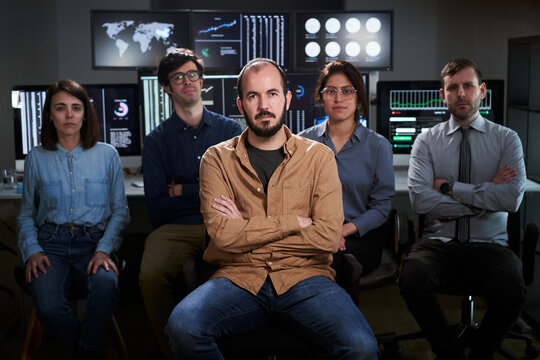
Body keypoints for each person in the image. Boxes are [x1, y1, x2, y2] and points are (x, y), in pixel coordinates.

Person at [165, 58, 378, 359]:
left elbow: (328, 237)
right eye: (253, 96)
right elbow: (224, 237)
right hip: (238, 277)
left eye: (272, 94)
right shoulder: (216, 159)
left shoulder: (319, 157)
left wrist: (246, 228)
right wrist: (295, 221)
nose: (264, 105)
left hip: (305, 277)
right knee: (183, 325)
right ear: (241, 104)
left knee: (361, 346)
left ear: (287, 99)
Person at [400, 58, 526, 360]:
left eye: (467, 86)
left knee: (513, 285)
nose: (460, 93)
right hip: (438, 243)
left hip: (490, 245)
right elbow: (420, 200)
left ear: (481, 90)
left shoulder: (507, 139)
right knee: (412, 277)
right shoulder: (426, 141)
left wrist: (451, 188)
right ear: (443, 95)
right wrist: (484, 196)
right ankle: (450, 353)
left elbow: (510, 199)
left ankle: (481, 354)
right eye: (452, 88)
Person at [139, 48, 242, 359]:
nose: (187, 82)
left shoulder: (231, 131)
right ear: (167, 87)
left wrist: (182, 190)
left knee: (248, 268)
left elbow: (240, 193)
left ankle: (234, 348)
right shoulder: (156, 141)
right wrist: (209, 194)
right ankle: (173, 349)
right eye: (178, 77)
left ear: (203, 80)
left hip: (225, 221)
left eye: (192, 75)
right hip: (177, 227)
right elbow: (156, 209)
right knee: (150, 276)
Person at [17, 79, 130, 358]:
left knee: (106, 287)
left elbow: (120, 212)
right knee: (47, 304)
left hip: (94, 244)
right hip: (50, 245)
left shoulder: (107, 155)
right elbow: (26, 214)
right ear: (49, 115)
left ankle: (84, 350)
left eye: (76, 108)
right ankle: (85, 347)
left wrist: (105, 249)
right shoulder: (36, 157)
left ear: (85, 114)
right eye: (61, 108)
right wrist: (32, 250)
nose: (69, 115)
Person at [299, 60, 394, 276]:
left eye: (347, 91)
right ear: (321, 96)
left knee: (334, 262)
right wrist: (322, 231)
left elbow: (380, 208)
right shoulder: (301, 143)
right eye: (331, 91)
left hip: (358, 237)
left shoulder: (378, 147)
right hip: (312, 233)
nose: (338, 98)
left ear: (358, 97)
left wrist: (340, 231)